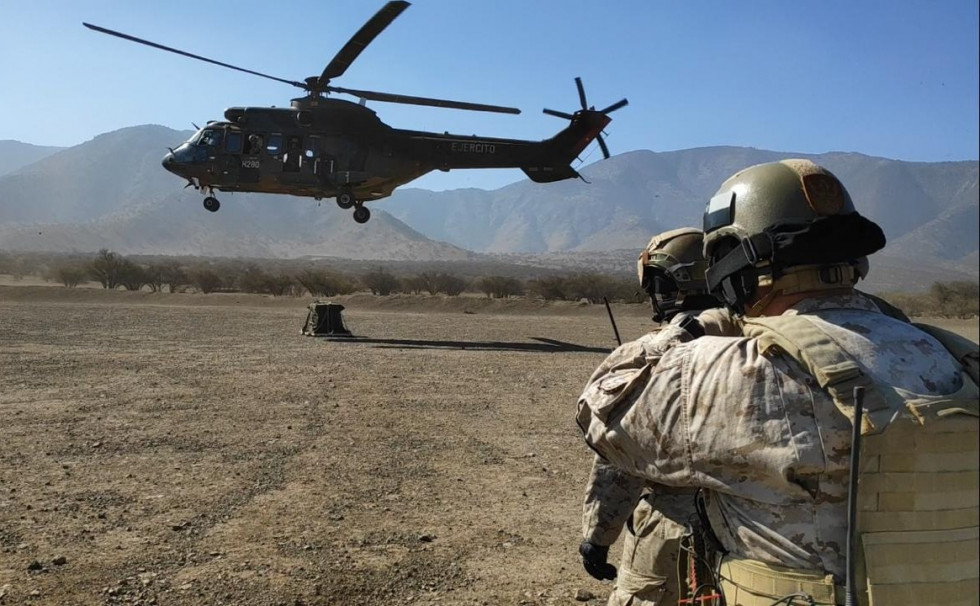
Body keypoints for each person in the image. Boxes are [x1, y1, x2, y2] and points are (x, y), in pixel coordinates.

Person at [576, 159, 979, 605]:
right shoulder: (955, 357)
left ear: (737, 264)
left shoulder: (734, 369)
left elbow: (602, 408)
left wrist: (698, 327)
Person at [579, 228, 737, 605]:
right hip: (755, 533)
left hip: (674, 532)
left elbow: (620, 461)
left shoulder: (658, 356)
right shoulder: (757, 340)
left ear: (671, 284)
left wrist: (597, 536)